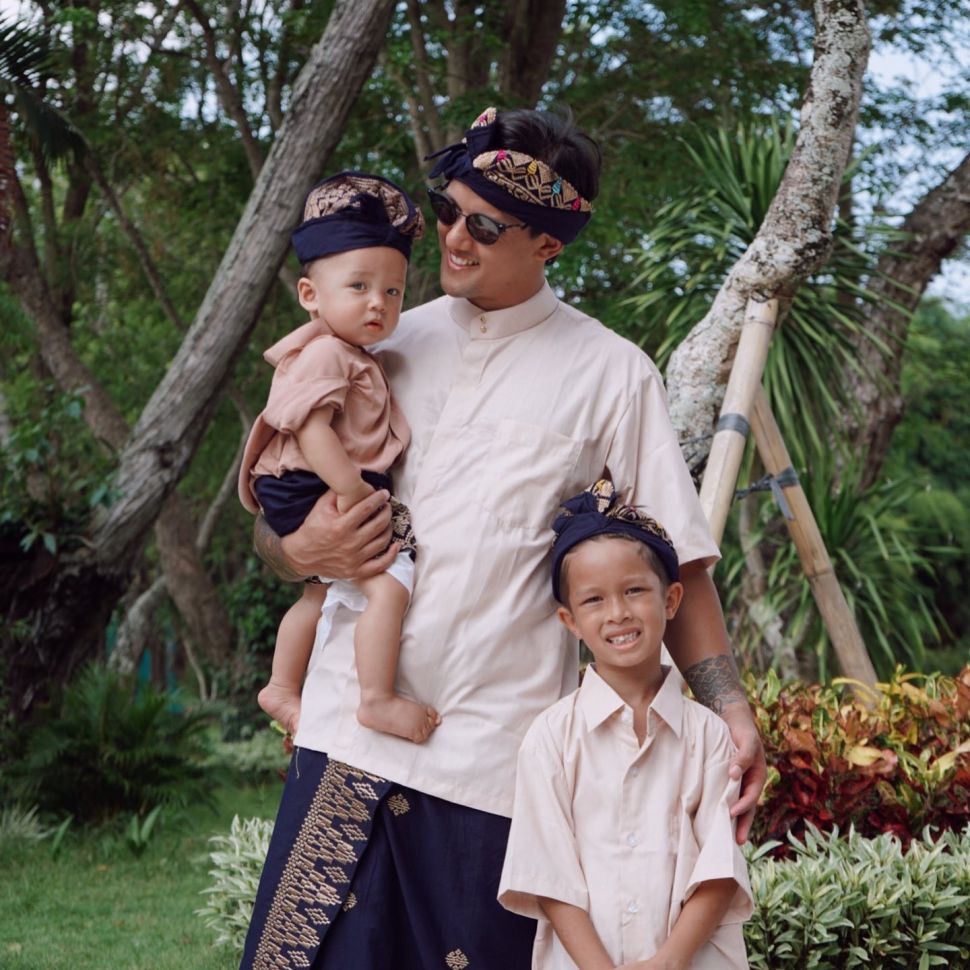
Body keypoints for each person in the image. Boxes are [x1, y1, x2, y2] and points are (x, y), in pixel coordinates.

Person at [240, 106, 766, 970]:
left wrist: (730, 709)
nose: (451, 239)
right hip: (344, 735)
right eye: (446, 213)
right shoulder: (376, 338)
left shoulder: (610, 372)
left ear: (549, 243)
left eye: (482, 226)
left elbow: (680, 563)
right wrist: (298, 553)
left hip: (489, 766)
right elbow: (276, 500)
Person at [498, 480, 753, 969]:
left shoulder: (709, 738)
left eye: (635, 590)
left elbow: (719, 869)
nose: (618, 613)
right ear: (569, 620)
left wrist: (669, 961)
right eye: (593, 601)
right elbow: (550, 876)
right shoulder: (550, 740)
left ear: (671, 600)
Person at [237, 171, 440, 744]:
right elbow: (309, 427)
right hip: (311, 480)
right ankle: (376, 698)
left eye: (393, 292)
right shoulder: (328, 352)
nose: (378, 303)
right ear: (310, 295)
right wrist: (351, 491)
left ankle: (280, 686)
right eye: (358, 287)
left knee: (318, 589)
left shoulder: (352, 352)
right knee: (390, 583)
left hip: (304, 482)